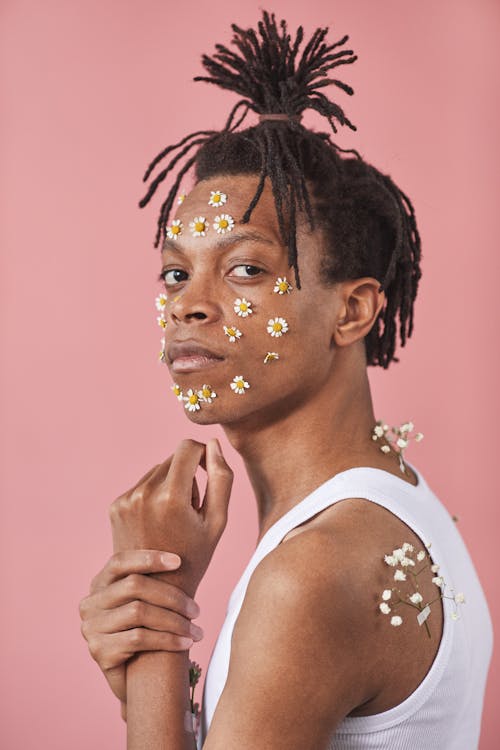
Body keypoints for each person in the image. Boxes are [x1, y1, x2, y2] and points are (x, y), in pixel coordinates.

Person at [79, 11, 493, 749]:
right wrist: (161, 674)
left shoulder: (314, 572)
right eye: (176, 272)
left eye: (246, 269)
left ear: (354, 308)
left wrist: (154, 648)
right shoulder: (392, 498)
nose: (188, 304)